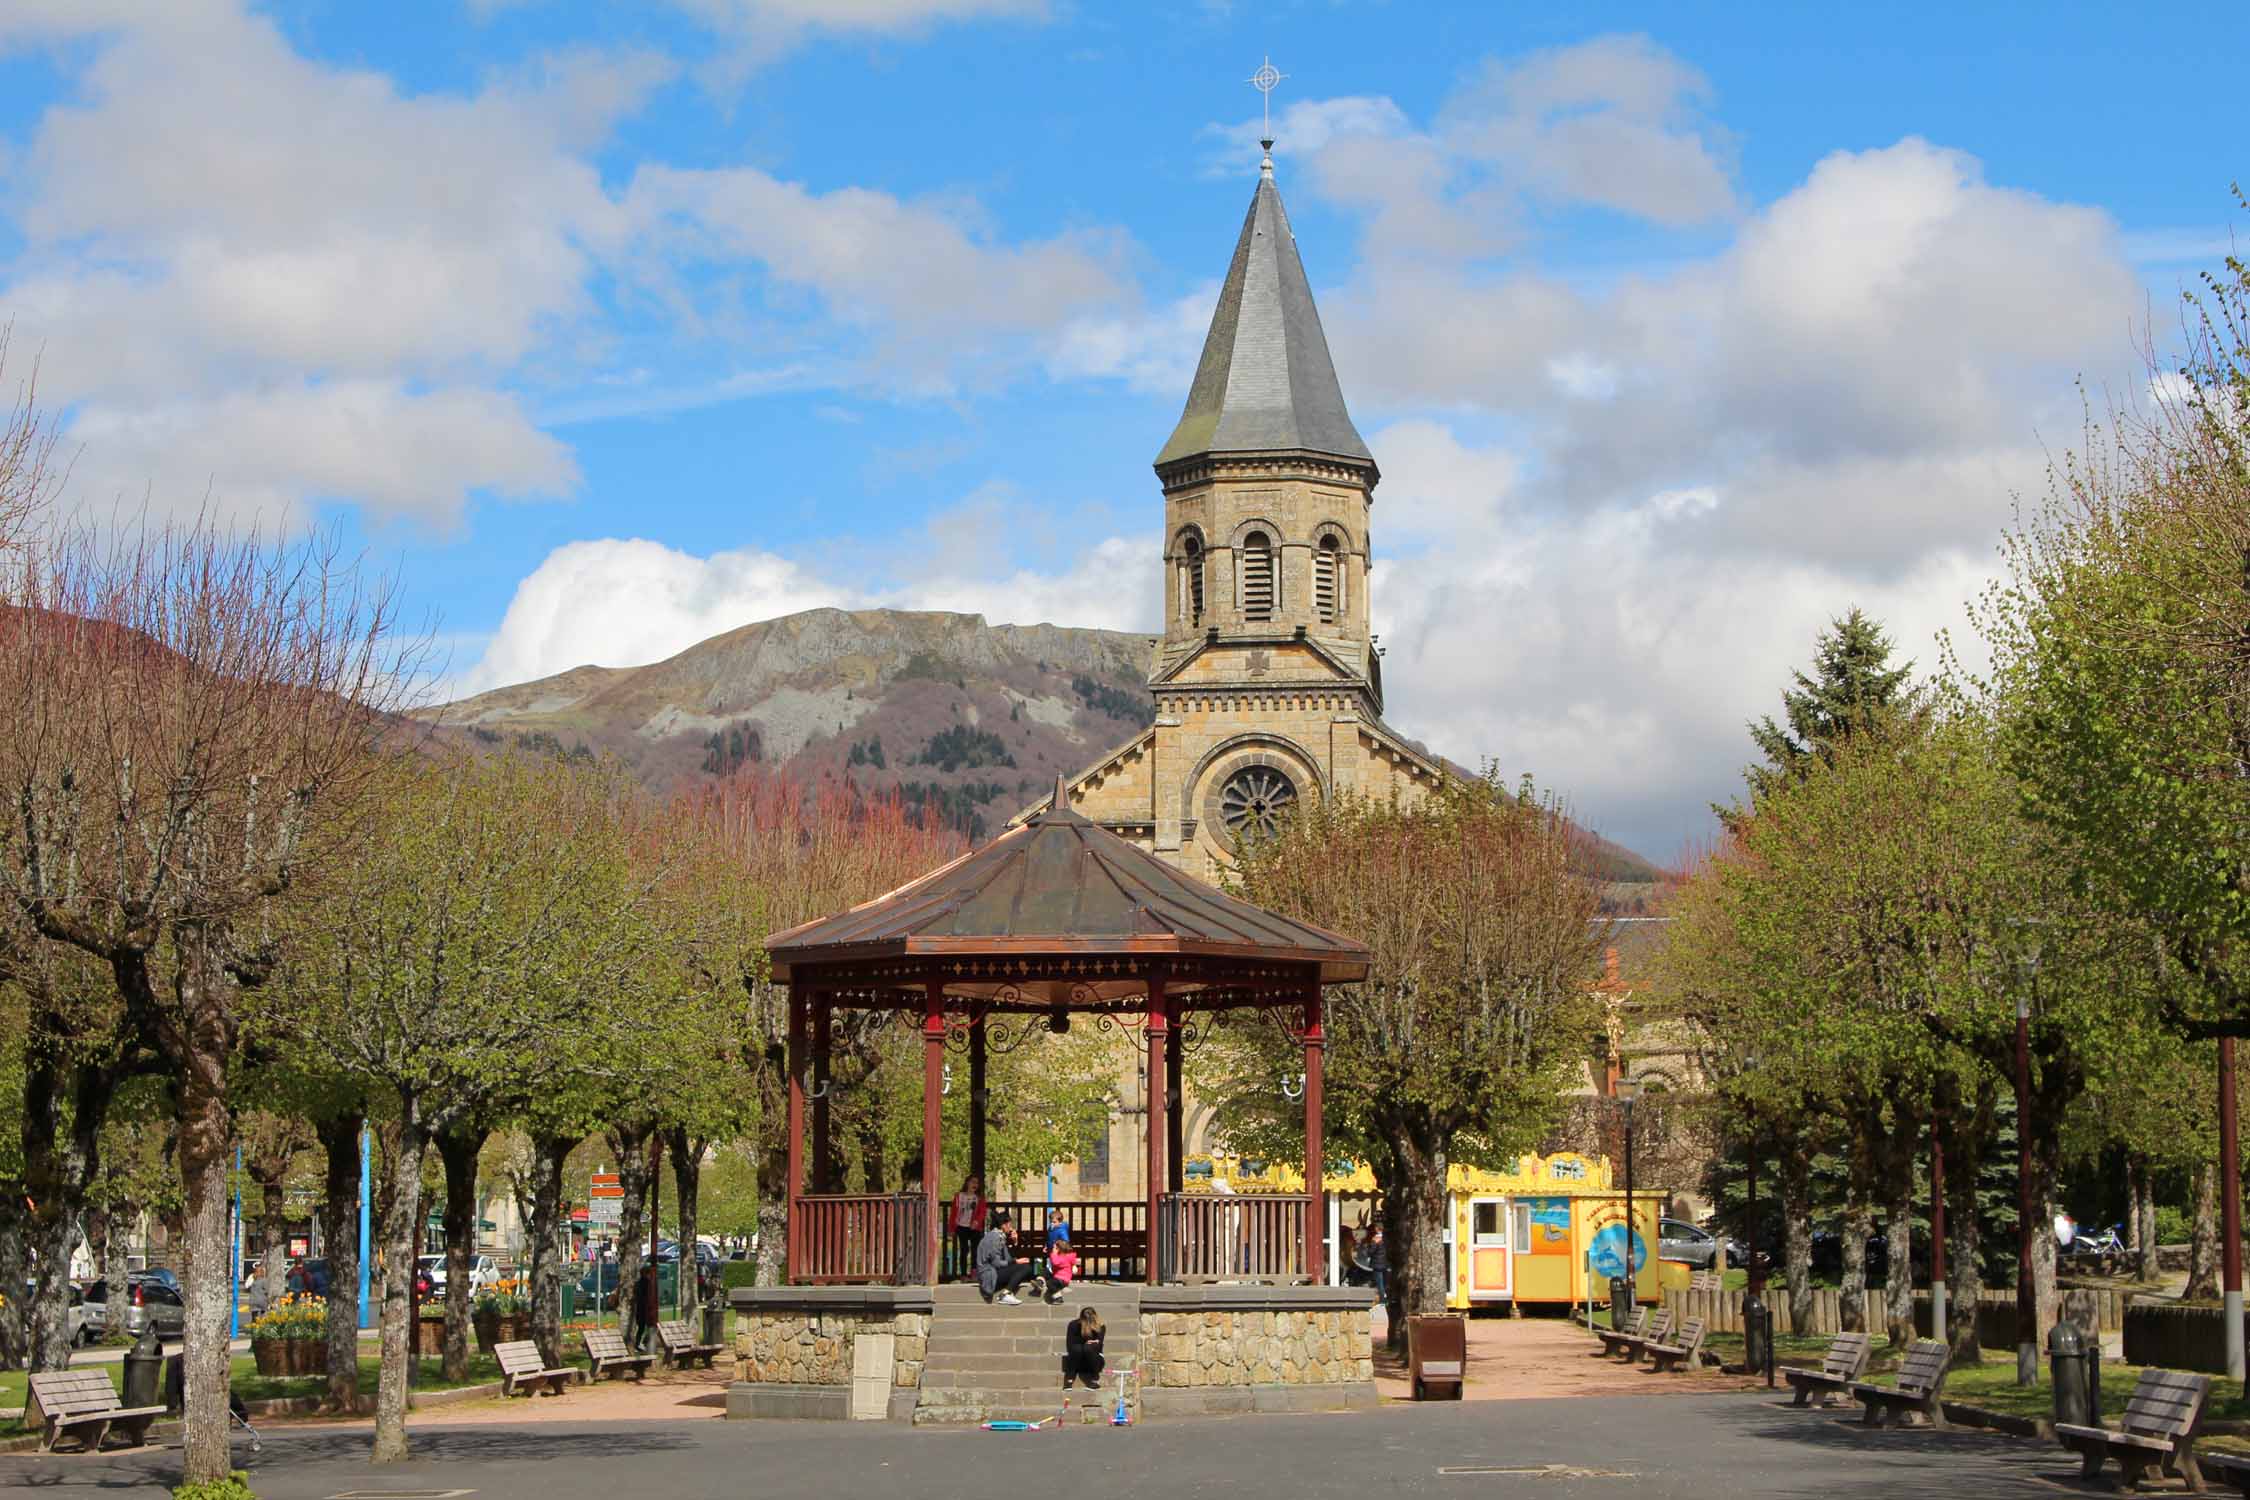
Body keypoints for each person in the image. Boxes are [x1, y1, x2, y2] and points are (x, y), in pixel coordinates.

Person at [976, 1209, 1036, 1305]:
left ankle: (1007, 1293)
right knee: (1026, 1267)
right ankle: (1005, 1294)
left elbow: (1008, 1259)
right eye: (1009, 1224)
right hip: (989, 1277)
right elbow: (997, 1263)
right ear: (1003, 1225)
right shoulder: (994, 1237)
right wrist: (1016, 1262)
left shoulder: (1000, 1236)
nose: (1011, 1227)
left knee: (1026, 1266)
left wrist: (1014, 1242)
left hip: (995, 1272)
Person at [950, 1175, 987, 1283]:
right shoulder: (959, 1196)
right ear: (967, 1183)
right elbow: (953, 1213)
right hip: (961, 1226)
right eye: (972, 1182)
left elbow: (982, 1212)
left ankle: (974, 1274)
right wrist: (951, 1228)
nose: (975, 1185)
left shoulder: (979, 1197)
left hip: (975, 1228)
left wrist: (976, 1222)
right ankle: (963, 1274)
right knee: (964, 1250)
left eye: (977, 1183)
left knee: (975, 1251)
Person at [1064, 1306, 1105, 1390]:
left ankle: (1093, 1379)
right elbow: (1070, 1343)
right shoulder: (1074, 1324)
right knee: (1077, 1349)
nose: (1088, 1322)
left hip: (1093, 1355)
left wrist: (1094, 1342)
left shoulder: (1100, 1326)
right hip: (1077, 1354)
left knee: (1088, 1348)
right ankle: (1069, 1380)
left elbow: (1099, 1343)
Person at [1044, 1234, 1078, 1305]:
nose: (1053, 1249)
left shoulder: (1063, 1258)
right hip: (1059, 1277)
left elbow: (1055, 1262)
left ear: (1059, 1249)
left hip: (1061, 1279)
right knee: (1046, 1272)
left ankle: (1058, 1297)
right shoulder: (1065, 1256)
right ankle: (1040, 1281)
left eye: (1054, 1247)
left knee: (1050, 1283)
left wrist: (1053, 1253)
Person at [1364, 1225, 1389, 1304]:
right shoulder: (1386, 1239)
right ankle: (1386, 1298)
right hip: (1385, 1264)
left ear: (1377, 1229)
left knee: (1379, 1283)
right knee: (1384, 1282)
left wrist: (1366, 1249)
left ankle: (1382, 1300)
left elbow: (1371, 1251)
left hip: (1377, 1264)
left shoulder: (1375, 1239)